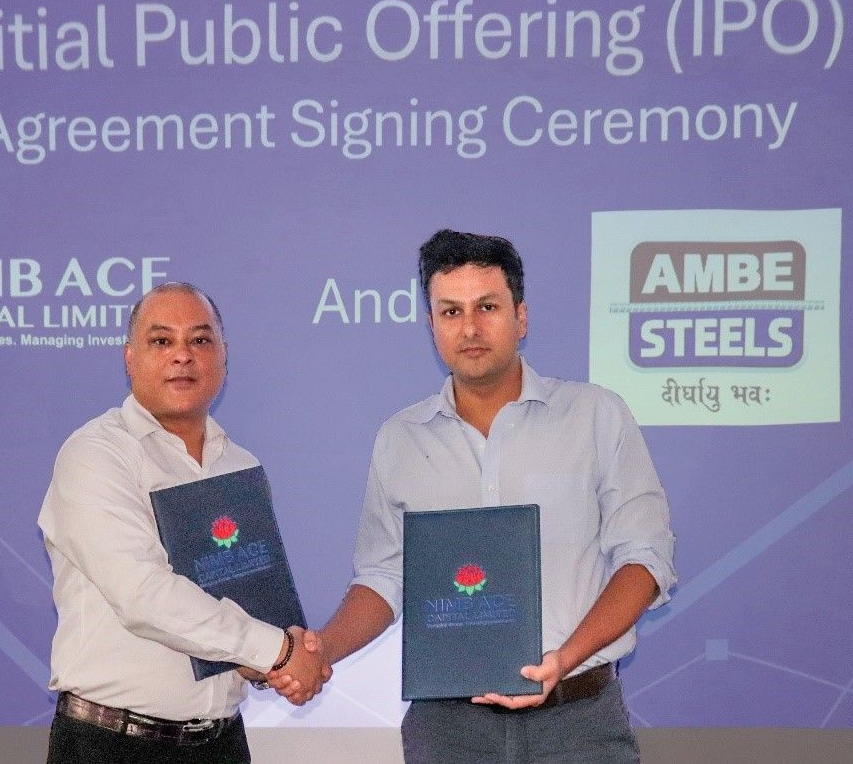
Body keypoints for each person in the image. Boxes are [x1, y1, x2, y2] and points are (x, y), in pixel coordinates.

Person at [281, 230, 675, 762]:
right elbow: (384, 577)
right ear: (432, 325)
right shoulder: (400, 438)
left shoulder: (596, 416)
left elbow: (645, 561)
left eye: (487, 307)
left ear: (521, 317)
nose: (469, 328)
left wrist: (564, 658)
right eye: (451, 311)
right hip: (449, 731)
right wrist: (321, 649)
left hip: (578, 723)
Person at [39, 282, 328, 764]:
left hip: (222, 743)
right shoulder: (96, 454)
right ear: (129, 357)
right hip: (112, 744)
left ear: (224, 357)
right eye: (161, 341)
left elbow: (245, 599)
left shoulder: (238, 465)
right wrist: (278, 651)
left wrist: (265, 664)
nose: (182, 355)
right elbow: (143, 594)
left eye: (200, 339)